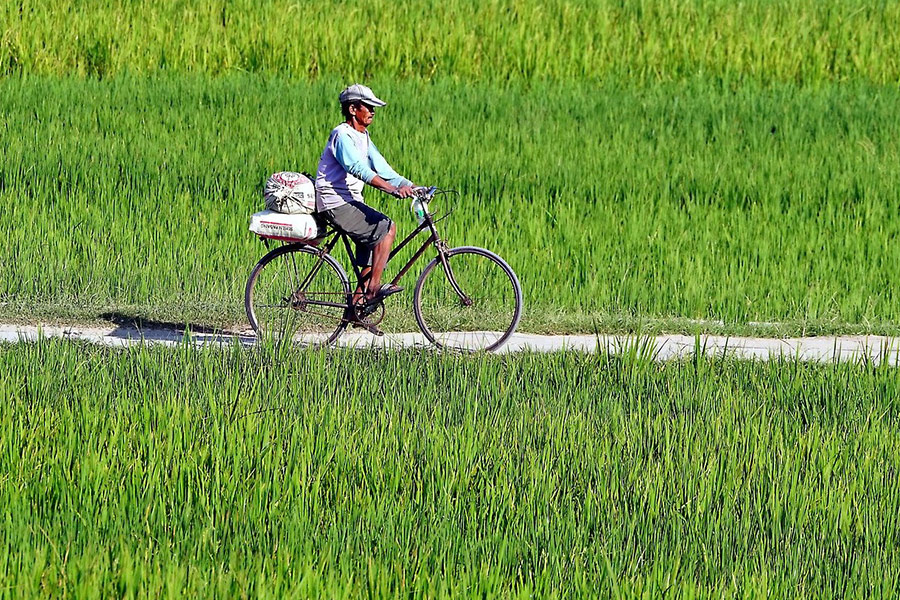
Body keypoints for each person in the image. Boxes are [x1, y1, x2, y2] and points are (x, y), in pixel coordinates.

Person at [315, 83, 416, 334]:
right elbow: (357, 169)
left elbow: (381, 167)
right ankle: (373, 289)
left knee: (375, 247)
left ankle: (355, 309)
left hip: (350, 201)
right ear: (352, 109)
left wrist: (409, 186)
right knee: (387, 228)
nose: (372, 111)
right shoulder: (342, 135)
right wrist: (391, 190)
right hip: (335, 202)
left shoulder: (363, 136)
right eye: (367, 107)